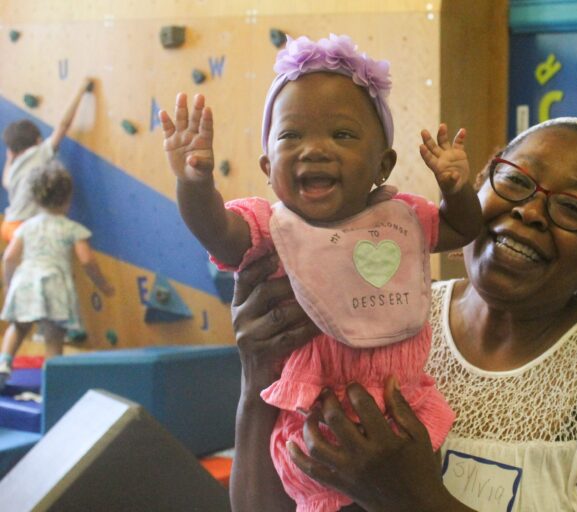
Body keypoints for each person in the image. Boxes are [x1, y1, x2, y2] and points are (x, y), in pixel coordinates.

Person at [228, 117, 577, 511]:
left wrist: (419, 501)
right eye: (514, 180)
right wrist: (258, 379)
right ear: (477, 188)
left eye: (572, 208)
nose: (530, 211)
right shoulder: (372, 318)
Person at [160, 34, 483, 512]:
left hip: (401, 410)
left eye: (342, 135)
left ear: (383, 165)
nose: (314, 150)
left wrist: (456, 189)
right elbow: (217, 233)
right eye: (292, 136)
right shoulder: (270, 228)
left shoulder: (402, 220)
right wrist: (194, 183)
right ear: (268, 167)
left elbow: (461, 227)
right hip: (313, 423)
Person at [0, 161, 114, 389]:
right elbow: (86, 259)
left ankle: (4, 364)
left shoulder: (26, 227)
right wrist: (102, 284)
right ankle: (52, 378)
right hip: (54, 283)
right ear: (68, 199)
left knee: (18, 326)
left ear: (35, 198)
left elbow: (10, 257)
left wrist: (9, 283)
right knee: (54, 333)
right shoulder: (71, 228)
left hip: (26, 280)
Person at [2, 77, 93, 243]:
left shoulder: (15, 165)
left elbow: (6, 182)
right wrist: (81, 90)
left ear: (14, 150)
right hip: (25, 227)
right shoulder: (40, 152)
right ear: (38, 140)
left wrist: (9, 160)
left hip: (8, 225)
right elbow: (63, 125)